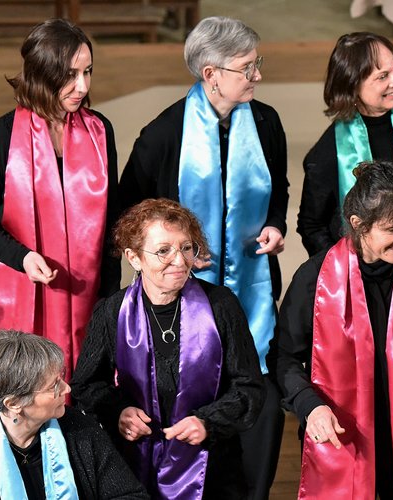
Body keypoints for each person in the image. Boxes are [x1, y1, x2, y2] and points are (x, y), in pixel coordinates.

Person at [118, 17, 287, 498]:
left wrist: (275, 225)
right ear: (211, 74)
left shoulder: (266, 122)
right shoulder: (164, 134)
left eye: (256, 64)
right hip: (180, 303)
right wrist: (172, 253)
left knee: (260, 400)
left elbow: (278, 187)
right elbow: (129, 212)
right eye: (247, 68)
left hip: (252, 291)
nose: (257, 75)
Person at [0, 19, 119, 407]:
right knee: (19, 400)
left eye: (87, 72)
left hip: (89, 295)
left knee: (84, 402)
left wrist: (111, 299)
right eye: (70, 75)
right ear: (42, 75)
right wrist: (22, 257)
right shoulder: (2, 135)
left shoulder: (101, 131)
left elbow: (112, 218)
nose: (82, 86)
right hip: (20, 287)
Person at [277, 160, 393, 498]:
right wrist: (309, 406)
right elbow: (284, 357)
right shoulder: (315, 278)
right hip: (341, 430)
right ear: (358, 224)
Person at [71, 199, 265, 499]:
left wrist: (208, 422)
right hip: (133, 464)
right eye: (163, 250)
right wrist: (119, 411)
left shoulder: (221, 305)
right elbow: (86, 383)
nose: (180, 261)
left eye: (186, 248)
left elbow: (249, 386)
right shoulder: (112, 311)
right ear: (134, 257)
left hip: (212, 467)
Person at [0, 330, 148, 499]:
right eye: (53, 386)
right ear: (14, 403)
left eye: (61, 379)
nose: (67, 389)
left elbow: (130, 495)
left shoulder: (79, 429)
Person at [297, 32, 393, 270]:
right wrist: (340, 268)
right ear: (353, 83)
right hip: (359, 272)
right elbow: (311, 225)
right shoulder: (329, 151)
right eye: (383, 76)